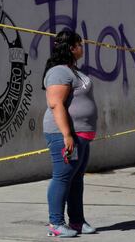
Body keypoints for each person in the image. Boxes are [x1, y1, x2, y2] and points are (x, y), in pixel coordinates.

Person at [42, 30, 98, 237]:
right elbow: (56, 104)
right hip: (64, 134)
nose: (82, 47)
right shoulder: (58, 72)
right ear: (72, 47)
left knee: (76, 179)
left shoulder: (73, 71)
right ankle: (55, 223)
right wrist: (67, 135)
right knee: (62, 177)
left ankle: (76, 221)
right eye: (80, 44)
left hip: (82, 135)